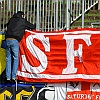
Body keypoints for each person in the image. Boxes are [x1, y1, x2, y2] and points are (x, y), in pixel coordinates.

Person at [5, 11, 36, 84]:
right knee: (15, 58)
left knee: (8, 59)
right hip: (15, 40)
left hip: (7, 40)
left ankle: (7, 77)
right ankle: (13, 77)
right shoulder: (22, 20)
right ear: (22, 15)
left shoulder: (11, 19)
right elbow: (32, 26)